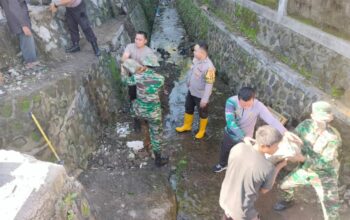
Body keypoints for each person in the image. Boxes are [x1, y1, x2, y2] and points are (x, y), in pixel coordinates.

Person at [274, 101, 342, 220]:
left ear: (330, 119)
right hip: (306, 169)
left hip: (325, 174)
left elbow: (324, 162)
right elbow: (295, 137)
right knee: (284, 185)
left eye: (326, 119)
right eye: (320, 119)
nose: (323, 122)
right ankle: (288, 200)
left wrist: (302, 158)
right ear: (312, 116)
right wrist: (288, 141)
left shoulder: (333, 138)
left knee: (332, 211)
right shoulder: (306, 125)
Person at [212, 87, 289, 173]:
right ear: (238, 98)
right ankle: (222, 164)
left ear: (253, 99)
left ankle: (236, 170)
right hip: (231, 134)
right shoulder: (231, 102)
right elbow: (230, 122)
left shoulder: (259, 106)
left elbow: (272, 120)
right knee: (225, 150)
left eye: (248, 105)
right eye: (242, 105)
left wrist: (286, 133)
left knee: (242, 154)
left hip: (247, 136)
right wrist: (243, 137)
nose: (245, 107)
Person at [219, 125, 288, 220]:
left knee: (228, 215)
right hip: (242, 212)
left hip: (224, 199)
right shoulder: (269, 168)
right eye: (276, 146)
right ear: (264, 146)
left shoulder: (237, 147)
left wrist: (248, 143)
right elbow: (265, 190)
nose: (277, 149)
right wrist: (280, 166)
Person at [122, 55, 168, 167]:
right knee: (156, 135)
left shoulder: (136, 77)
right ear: (155, 66)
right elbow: (161, 93)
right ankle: (158, 160)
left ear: (144, 65)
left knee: (134, 104)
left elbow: (126, 82)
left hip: (140, 112)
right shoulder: (160, 79)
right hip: (154, 113)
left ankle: (137, 124)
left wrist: (123, 70)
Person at [175, 41, 216, 139]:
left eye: (195, 51)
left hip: (201, 95)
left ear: (202, 53)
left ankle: (202, 130)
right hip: (192, 91)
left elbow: (209, 85)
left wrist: (205, 99)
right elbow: (192, 71)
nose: (193, 52)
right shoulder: (196, 59)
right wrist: (189, 81)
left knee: (203, 113)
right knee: (188, 107)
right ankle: (187, 126)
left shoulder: (209, 68)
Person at [121, 31, 155, 132]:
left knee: (145, 98)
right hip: (133, 77)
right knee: (133, 98)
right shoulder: (130, 47)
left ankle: (146, 118)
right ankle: (136, 120)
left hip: (144, 78)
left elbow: (147, 67)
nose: (137, 41)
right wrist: (124, 69)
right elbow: (124, 58)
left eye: (140, 40)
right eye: (136, 39)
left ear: (145, 41)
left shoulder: (148, 52)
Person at [0, 0, 38, 68]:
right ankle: (31, 62)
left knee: (25, 38)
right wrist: (23, 25)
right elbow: (14, 7)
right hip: (19, 20)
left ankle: (30, 61)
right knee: (26, 37)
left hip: (16, 18)